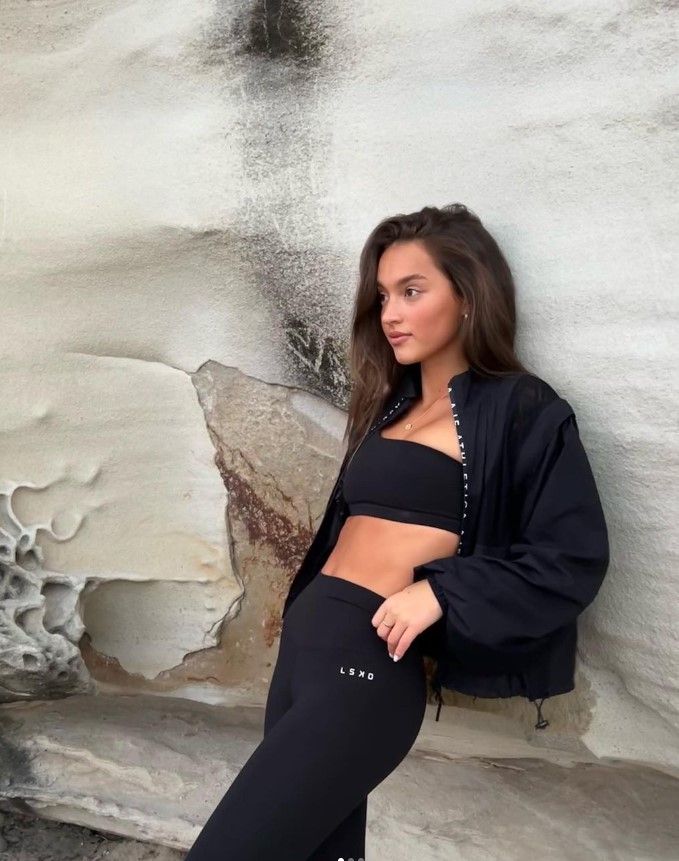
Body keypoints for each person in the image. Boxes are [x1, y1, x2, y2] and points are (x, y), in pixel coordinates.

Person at [184, 203, 610, 861]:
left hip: (366, 664)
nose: (390, 313)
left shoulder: (520, 407)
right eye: (383, 295)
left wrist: (441, 591)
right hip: (305, 652)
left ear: (468, 296)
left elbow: (570, 556)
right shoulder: (389, 405)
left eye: (412, 291)